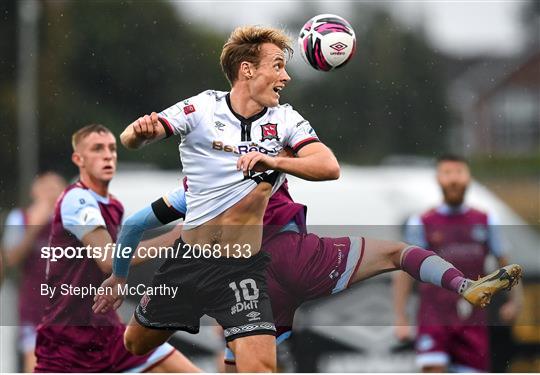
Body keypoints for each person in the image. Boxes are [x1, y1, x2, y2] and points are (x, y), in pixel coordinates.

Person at [96, 171, 522, 371]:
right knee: (397, 253)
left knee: (177, 348)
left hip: (238, 275)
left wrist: (122, 265)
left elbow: (153, 232)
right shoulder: (269, 145)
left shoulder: (201, 185)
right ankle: (461, 283)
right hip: (291, 259)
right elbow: (323, 165)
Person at [110, 25, 341, 372]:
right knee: (134, 343)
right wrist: (138, 135)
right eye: (277, 65)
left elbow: (329, 166)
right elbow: (133, 137)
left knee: (261, 367)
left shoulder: (286, 119)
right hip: (188, 262)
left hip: (242, 269)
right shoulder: (203, 107)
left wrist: (275, 160)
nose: (286, 76)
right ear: (247, 70)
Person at [34, 124, 200, 372]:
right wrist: (174, 236)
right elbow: (109, 259)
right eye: (97, 149)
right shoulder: (76, 200)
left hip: (109, 337)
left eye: (112, 148)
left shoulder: (113, 205)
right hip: (67, 346)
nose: (107, 154)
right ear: (78, 159)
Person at [393, 154, 524, 372]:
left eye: (459, 173)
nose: (453, 179)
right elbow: (405, 272)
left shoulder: (485, 220)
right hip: (434, 317)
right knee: (434, 369)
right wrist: (400, 316)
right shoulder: (422, 222)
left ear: (468, 177)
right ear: (438, 179)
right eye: (447, 173)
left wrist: (515, 303)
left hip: (473, 320)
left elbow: (508, 266)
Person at [1, 172, 66, 372]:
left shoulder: (72, 222)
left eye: (55, 188)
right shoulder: (20, 218)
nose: (50, 194)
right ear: (34, 192)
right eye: (45, 188)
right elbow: (10, 259)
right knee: (36, 357)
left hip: (66, 304)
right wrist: (32, 227)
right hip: (33, 302)